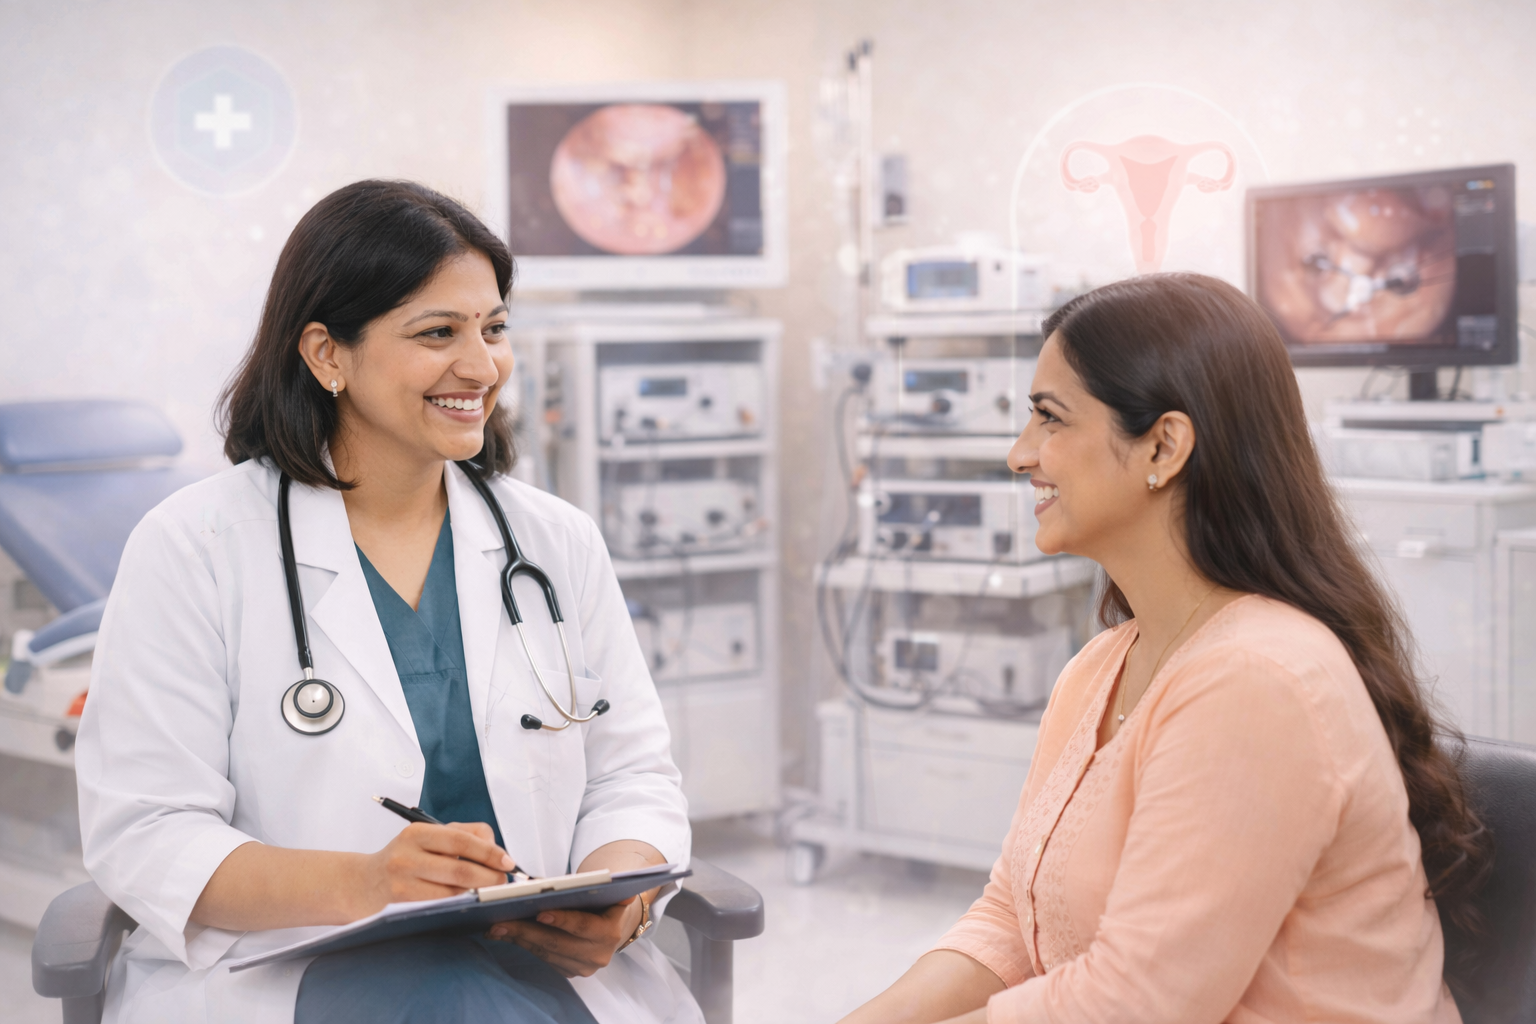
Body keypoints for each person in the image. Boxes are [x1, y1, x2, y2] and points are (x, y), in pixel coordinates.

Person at [74, 180, 698, 1024]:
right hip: (295, 967)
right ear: (327, 354)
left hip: (536, 975)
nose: (481, 366)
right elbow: (147, 833)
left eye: (494, 327)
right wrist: (366, 882)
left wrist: (618, 905)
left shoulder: (553, 543)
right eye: (438, 332)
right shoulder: (194, 548)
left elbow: (631, 775)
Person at [837, 273, 1488, 1024]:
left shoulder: (1258, 680)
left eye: (1051, 419)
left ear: (1165, 445)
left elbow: (1137, 1004)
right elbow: (1011, 921)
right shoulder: (1099, 670)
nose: (1020, 455)